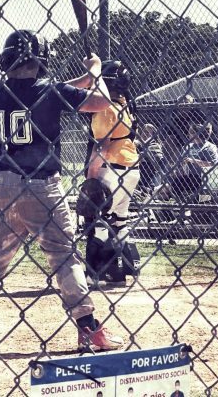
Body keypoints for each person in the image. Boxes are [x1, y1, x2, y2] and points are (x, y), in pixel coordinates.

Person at [0, 29, 123, 353]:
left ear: (7, 60)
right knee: (63, 255)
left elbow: (51, 91)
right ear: (41, 61)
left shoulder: (2, 92)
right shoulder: (51, 92)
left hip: (3, 187)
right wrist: (96, 72)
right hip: (43, 188)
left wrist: (83, 77)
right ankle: (88, 328)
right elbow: (102, 101)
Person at [82, 60, 141, 286]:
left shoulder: (105, 108)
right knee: (119, 222)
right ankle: (123, 270)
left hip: (112, 169)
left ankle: (93, 274)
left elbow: (102, 147)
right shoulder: (126, 104)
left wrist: (91, 177)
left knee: (99, 222)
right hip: (132, 169)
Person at [154, 122, 218, 204]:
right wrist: (177, 170)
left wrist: (193, 160)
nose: (188, 134)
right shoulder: (187, 147)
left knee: (179, 186)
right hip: (187, 177)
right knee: (169, 183)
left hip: (203, 178)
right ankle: (165, 201)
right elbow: (181, 163)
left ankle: (186, 200)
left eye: (191, 132)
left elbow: (213, 164)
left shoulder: (210, 147)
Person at [135, 123, 165, 196]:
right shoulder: (138, 144)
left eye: (148, 132)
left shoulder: (155, 145)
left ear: (153, 135)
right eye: (144, 131)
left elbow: (155, 157)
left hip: (150, 174)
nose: (145, 134)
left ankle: (146, 191)